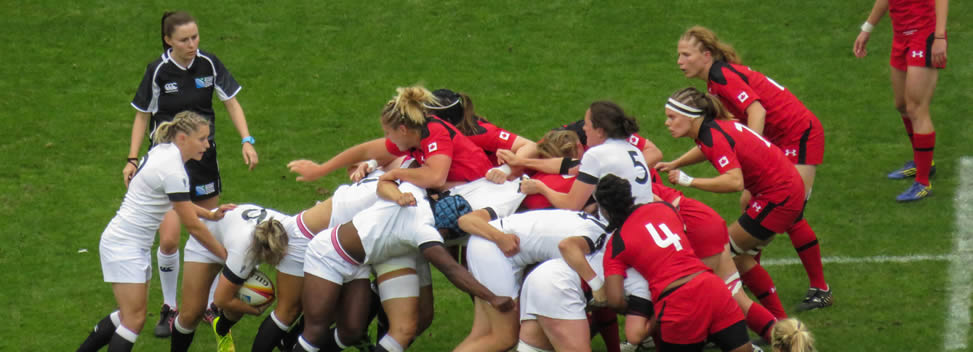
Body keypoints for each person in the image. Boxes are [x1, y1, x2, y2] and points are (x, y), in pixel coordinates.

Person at [677, 26, 831, 311]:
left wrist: (756, 152)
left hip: (798, 135)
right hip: (783, 137)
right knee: (753, 203)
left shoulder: (722, 77)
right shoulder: (715, 82)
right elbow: (731, 128)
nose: (680, 61)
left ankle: (821, 289)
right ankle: (747, 271)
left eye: (686, 55)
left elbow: (757, 111)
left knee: (789, 209)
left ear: (706, 55)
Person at [125, 11, 259, 336]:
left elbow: (232, 103)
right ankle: (169, 307)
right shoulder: (158, 71)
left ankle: (211, 305)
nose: (192, 44)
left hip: (203, 161)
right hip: (169, 165)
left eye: (195, 37)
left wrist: (247, 140)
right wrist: (132, 159)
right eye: (184, 39)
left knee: (211, 229)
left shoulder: (209, 64)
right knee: (170, 239)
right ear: (168, 40)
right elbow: (142, 115)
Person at [293, 180, 515, 352]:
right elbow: (451, 269)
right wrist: (492, 297)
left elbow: (387, 181)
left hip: (360, 264)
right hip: (328, 255)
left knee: (352, 331)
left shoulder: (414, 193)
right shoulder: (423, 230)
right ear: (445, 231)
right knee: (316, 331)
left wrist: (396, 194)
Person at [78, 111, 232, 352]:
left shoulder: (163, 151)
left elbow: (178, 202)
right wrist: (225, 257)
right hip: (124, 245)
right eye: (202, 139)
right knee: (134, 320)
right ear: (183, 138)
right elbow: (192, 225)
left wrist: (210, 215)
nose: (207, 144)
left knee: (128, 315)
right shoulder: (173, 169)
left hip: (131, 243)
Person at [656, 87, 813, 320]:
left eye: (672, 117)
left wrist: (689, 181)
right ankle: (778, 323)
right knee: (739, 258)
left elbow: (734, 181)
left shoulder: (714, 137)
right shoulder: (711, 130)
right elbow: (705, 148)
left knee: (720, 254)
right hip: (784, 191)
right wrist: (675, 163)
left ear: (691, 117)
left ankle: (727, 321)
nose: (667, 123)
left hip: (778, 198)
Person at [596, 175, 752, 352]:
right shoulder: (664, 207)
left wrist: (647, 315)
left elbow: (615, 300)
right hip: (711, 286)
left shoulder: (616, 244)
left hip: (677, 302)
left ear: (605, 210)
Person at [454, 209, 609, 351]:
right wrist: (597, 287)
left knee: (482, 334)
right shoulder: (595, 242)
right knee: (504, 337)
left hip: (487, 244)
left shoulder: (597, 229)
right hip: (493, 247)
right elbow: (567, 247)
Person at [854, 0, 948, 202]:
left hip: (924, 34)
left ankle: (923, 183)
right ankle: (922, 162)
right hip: (901, 35)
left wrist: (939, 37)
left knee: (917, 108)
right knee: (902, 105)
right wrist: (867, 29)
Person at [170, 204, 292, 352]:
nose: (283, 257)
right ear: (265, 251)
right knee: (191, 314)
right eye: (279, 255)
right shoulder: (244, 253)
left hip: (235, 238)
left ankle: (221, 330)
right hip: (207, 242)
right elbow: (221, 299)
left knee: (245, 297)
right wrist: (256, 311)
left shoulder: (291, 228)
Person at [518, 101, 654, 210]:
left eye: (587, 124)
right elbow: (569, 166)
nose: (583, 128)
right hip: (643, 216)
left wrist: (541, 188)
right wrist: (522, 161)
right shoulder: (634, 150)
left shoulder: (596, 155)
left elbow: (571, 205)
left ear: (600, 131)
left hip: (620, 225)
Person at [424, 89, 538, 183]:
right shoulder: (437, 137)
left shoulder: (477, 134)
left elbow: (531, 146)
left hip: (516, 183)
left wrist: (505, 170)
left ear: (445, 120)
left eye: (428, 117)